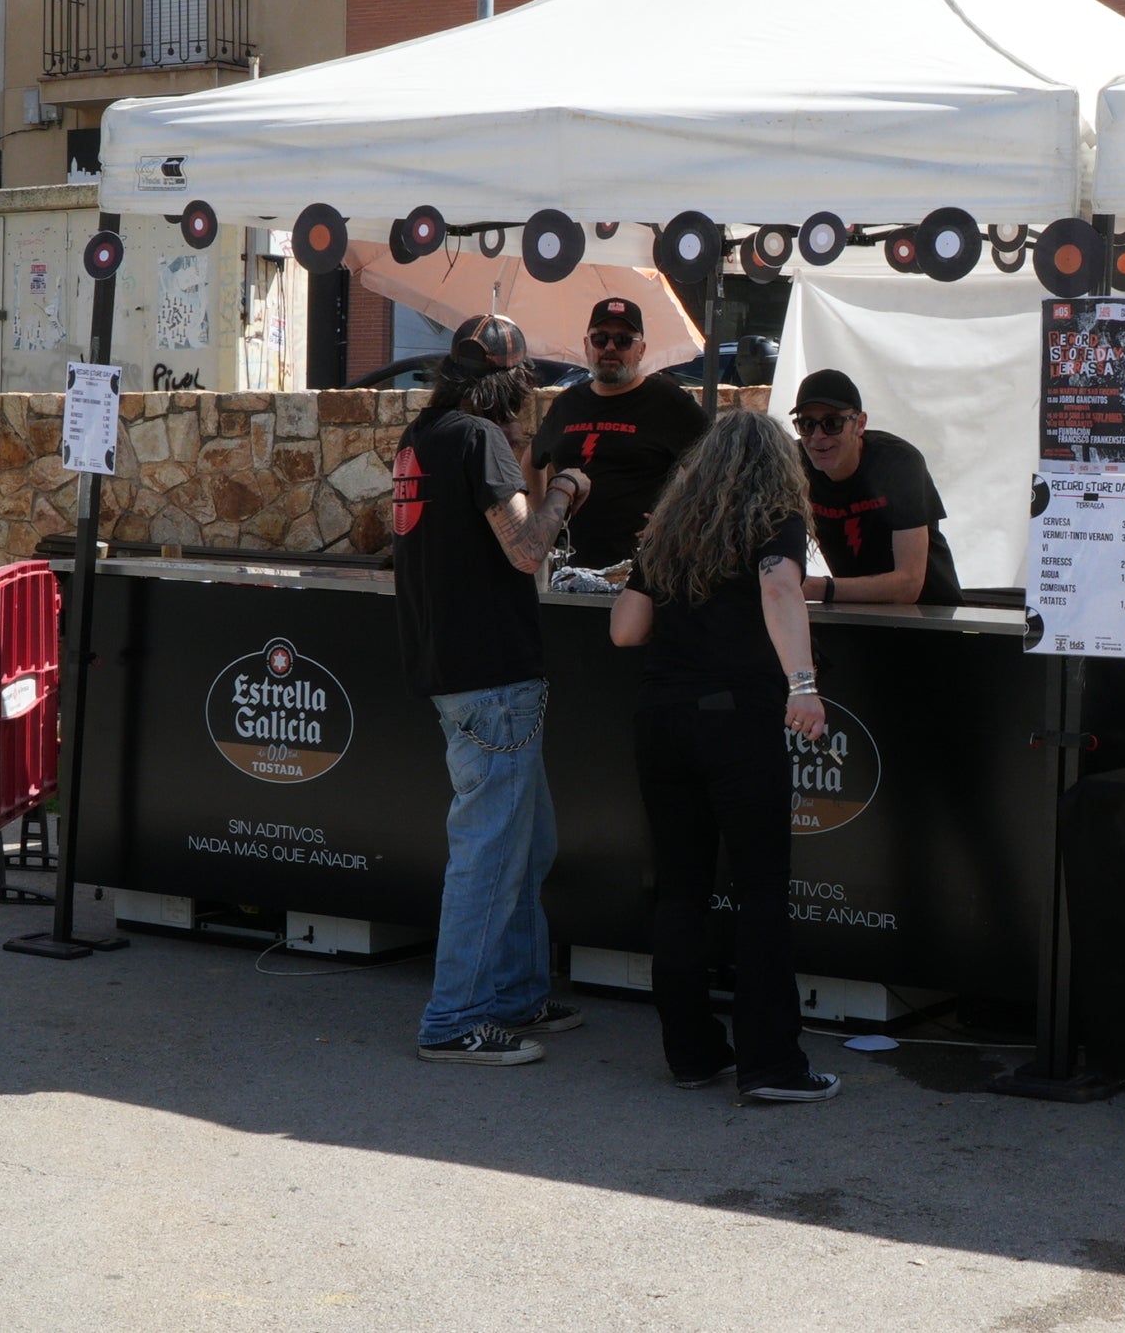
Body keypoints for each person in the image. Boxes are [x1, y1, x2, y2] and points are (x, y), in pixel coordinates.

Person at [610, 409, 840, 1103]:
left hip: (661, 718)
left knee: (680, 888)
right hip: (736, 719)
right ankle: (772, 1067)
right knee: (762, 890)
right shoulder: (774, 519)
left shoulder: (672, 531)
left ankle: (692, 1054)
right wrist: (803, 683)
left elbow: (625, 629)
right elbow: (779, 588)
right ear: (780, 468)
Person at [392, 316, 591, 1066]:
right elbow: (527, 549)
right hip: (493, 676)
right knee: (489, 853)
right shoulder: (477, 440)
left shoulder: (422, 434)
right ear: (512, 382)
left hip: (459, 669)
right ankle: (455, 1019)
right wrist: (566, 487)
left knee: (526, 844)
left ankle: (515, 995)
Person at [525, 296, 710, 568]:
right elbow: (532, 460)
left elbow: (717, 471)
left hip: (642, 569)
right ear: (586, 345)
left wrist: (680, 522)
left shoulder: (669, 402)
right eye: (600, 339)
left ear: (641, 350)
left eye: (623, 340)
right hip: (569, 569)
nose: (610, 347)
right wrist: (543, 524)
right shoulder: (567, 403)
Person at [786, 368, 963, 606]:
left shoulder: (898, 462)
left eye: (832, 423)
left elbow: (908, 585)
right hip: (855, 616)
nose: (817, 436)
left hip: (929, 618)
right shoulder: (792, 465)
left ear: (860, 424)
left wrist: (819, 588)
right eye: (807, 424)